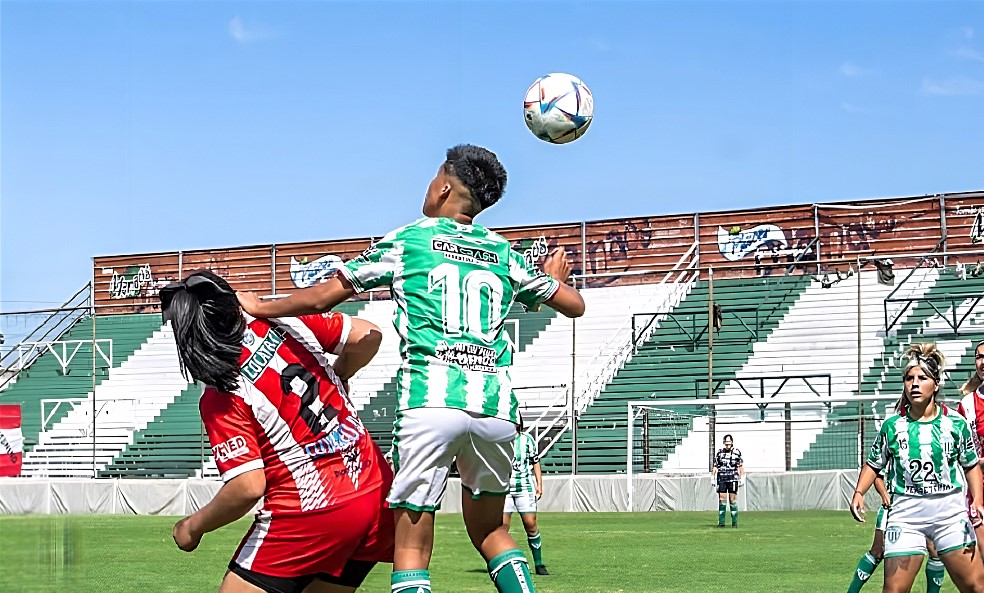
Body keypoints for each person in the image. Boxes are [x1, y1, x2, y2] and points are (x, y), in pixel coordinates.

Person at [238, 144, 586, 593]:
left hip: (431, 403)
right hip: (496, 411)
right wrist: (554, 279)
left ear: (443, 187)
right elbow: (573, 304)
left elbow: (324, 297)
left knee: (411, 552)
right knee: (492, 533)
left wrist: (262, 306)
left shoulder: (411, 240)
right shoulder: (503, 252)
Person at [162, 270, 394, 593]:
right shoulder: (288, 322)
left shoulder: (224, 393)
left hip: (312, 511)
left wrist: (192, 527)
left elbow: (248, 486)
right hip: (374, 485)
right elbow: (369, 336)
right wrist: (340, 374)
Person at [851, 343, 984, 593]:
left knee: (976, 587)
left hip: (950, 516)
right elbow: (873, 463)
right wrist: (859, 492)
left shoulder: (956, 423)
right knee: (894, 591)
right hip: (906, 517)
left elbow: (971, 465)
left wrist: (977, 499)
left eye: (922, 378)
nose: (914, 383)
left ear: (935, 384)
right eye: (909, 378)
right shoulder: (891, 426)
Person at [846, 475, 946, 593]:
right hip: (896, 508)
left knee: (935, 551)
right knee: (877, 551)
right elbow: (876, 474)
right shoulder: (891, 456)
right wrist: (884, 494)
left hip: (926, 507)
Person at [502, 424, 547, 576]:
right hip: (504, 489)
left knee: (531, 524)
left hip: (524, 488)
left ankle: (539, 564)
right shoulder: (499, 438)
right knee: (502, 528)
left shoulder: (527, 439)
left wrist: (539, 484)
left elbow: (535, 461)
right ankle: (506, 563)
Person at [957, 339, 984, 562]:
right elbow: (964, 455)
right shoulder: (967, 405)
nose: (983, 361)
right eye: (979, 356)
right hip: (979, 493)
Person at [711, 434, 744, 528]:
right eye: (726, 443)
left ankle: (734, 523)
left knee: (732, 500)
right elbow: (715, 465)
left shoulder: (737, 452)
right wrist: (712, 477)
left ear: (732, 442)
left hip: (733, 478)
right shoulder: (720, 452)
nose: (727, 444)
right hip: (722, 478)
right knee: (722, 499)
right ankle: (721, 523)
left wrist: (742, 477)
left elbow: (740, 466)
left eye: (729, 442)